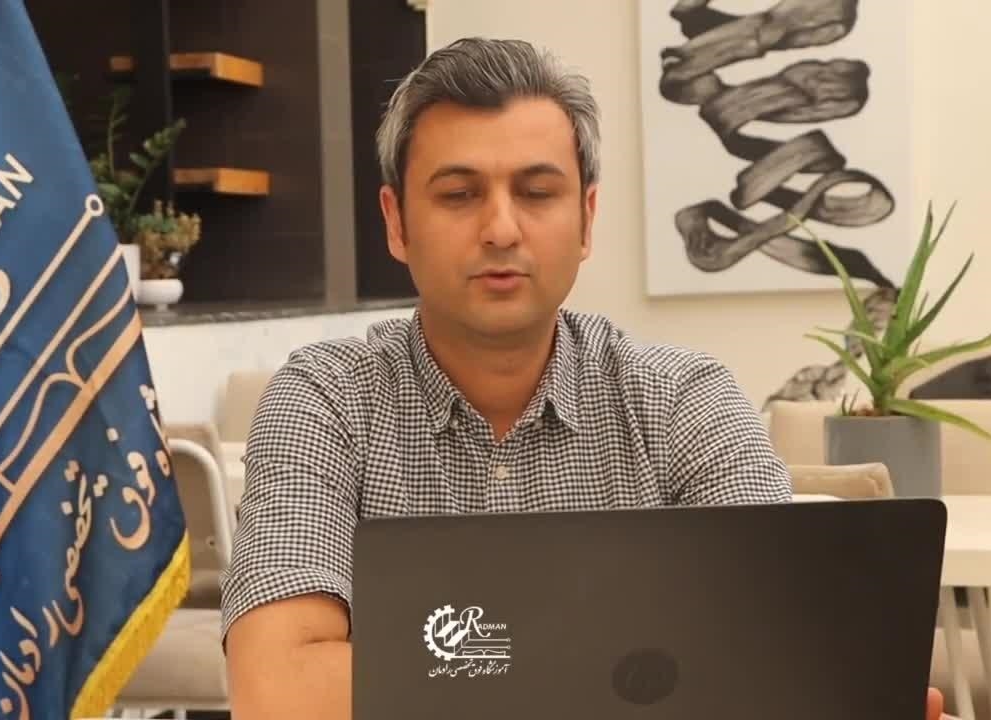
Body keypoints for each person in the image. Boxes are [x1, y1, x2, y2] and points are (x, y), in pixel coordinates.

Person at [219, 37, 953, 720]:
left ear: (586, 217)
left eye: (537, 192)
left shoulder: (684, 400)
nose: (501, 228)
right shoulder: (325, 402)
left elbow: (779, 656)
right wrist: (625, 674)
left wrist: (459, 669)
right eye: (459, 194)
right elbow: (278, 692)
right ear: (396, 222)